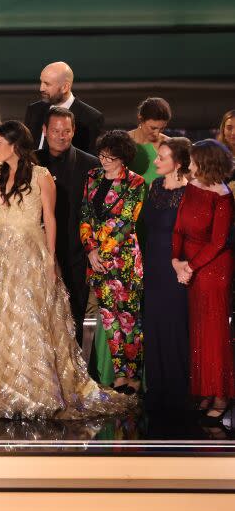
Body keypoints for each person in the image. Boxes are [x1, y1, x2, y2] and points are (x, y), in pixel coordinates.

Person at [0, 121, 133, 419]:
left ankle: (37, 387)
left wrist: (49, 258)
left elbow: (51, 219)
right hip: (1, 252)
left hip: (31, 251)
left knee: (32, 318)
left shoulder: (41, 176)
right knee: (1, 318)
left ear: (15, 145)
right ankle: (5, 384)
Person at [172, 139, 235, 424]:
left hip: (213, 270)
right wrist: (177, 261)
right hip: (191, 268)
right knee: (199, 333)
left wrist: (191, 267)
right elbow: (179, 227)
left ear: (207, 164)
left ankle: (222, 395)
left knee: (214, 335)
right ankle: (206, 391)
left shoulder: (222, 196)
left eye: (195, 161)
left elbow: (218, 242)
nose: (190, 165)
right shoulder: (192, 188)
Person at [80, 130, 146, 393]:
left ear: (123, 158)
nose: (104, 161)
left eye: (110, 157)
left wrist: (102, 254)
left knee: (130, 319)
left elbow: (126, 222)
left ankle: (134, 375)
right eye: (102, 155)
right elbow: (85, 214)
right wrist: (90, 251)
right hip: (97, 261)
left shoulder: (135, 183)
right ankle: (119, 375)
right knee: (109, 320)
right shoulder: (92, 177)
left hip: (123, 261)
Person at [35, 107, 100, 347]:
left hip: (75, 253)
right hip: (38, 251)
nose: (61, 136)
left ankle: (75, 373)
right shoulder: (32, 161)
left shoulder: (91, 165)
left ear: (73, 132)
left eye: (66, 131)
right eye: (55, 131)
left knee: (74, 315)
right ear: (45, 131)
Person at [142, 137, 190, 411]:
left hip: (175, 264)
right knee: (154, 322)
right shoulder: (155, 186)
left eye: (162, 158)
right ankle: (157, 385)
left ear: (179, 163)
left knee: (174, 323)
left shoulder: (190, 191)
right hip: (153, 263)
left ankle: (178, 386)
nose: (155, 161)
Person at [24, 61, 104, 154]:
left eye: (47, 84)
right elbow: (25, 149)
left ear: (65, 87)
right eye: (41, 82)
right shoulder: (34, 110)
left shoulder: (91, 118)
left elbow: (91, 161)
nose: (41, 88)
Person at [129, 97, 172, 185]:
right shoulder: (122, 141)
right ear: (141, 119)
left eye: (162, 128)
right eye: (153, 128)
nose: (156, 133)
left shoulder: (170, 145)